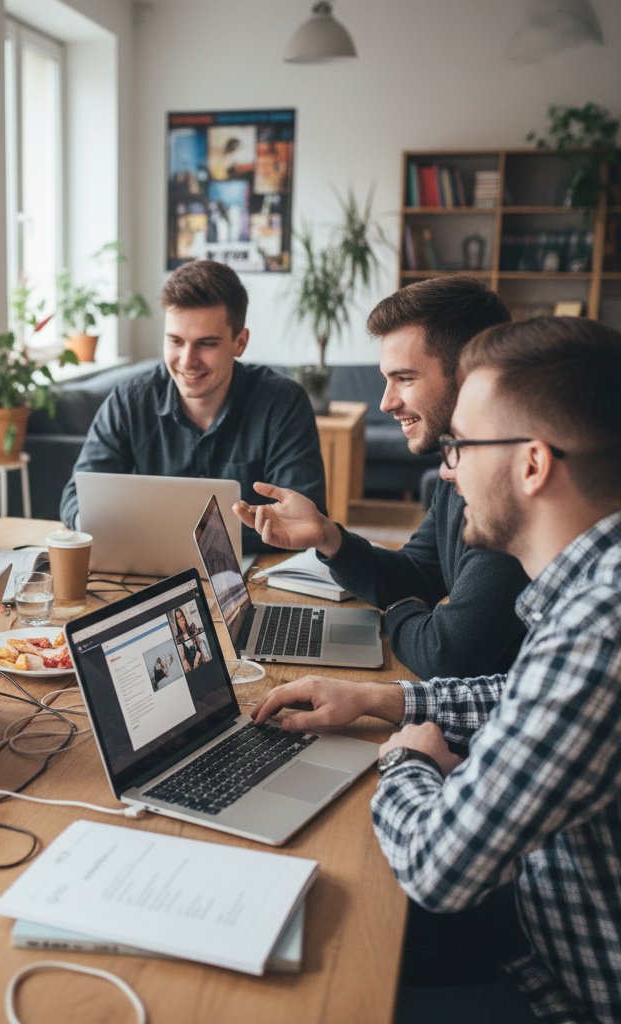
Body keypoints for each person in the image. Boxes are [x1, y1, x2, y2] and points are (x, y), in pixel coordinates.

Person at [251, 317, 621, 1023]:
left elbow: (436, 866)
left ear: (533, 464)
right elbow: (525, 696)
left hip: (565, 984)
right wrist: (385, 700)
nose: (446, 471)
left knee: (299, 967)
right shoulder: (594, 591)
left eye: (462, 446)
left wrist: (408, 760)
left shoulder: (597, 631)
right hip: (539, 916)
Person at [235, 276, 529, 678]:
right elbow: (417, 573)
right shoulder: (454, 471)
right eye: (386, 379)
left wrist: (397, 609)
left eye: (404, 378)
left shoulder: (513, 491)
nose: (386, 402)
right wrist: (329, 538)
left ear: (469, 376)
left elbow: (446, 653)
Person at [60, 260, 326, 552]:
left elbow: (303, 520)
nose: (187, 360)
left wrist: (163, 531)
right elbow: (76, 498)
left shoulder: (283, 403)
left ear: (240, 342)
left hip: (254, 575)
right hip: (150, 570)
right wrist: (100, 524)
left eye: (207, 344)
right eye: (175, 341)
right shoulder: (129, 401)